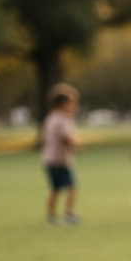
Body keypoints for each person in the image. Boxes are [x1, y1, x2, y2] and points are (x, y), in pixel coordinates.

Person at [40, 83, 83, 225]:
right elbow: (66, 138)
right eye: (72, 103)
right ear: (63, 104)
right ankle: (68, 214)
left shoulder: (50, 118)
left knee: (55, 188)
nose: (74, 106)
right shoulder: (63, 119)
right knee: (72, 186)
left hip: (49, 159)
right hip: (60, 160)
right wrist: (79, 145)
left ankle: (51, 216)